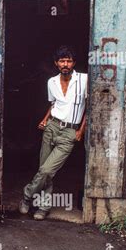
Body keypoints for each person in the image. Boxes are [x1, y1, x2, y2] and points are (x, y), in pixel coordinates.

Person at [19, 45, 88, 220]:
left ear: (74, 63)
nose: (66, 64)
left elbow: (91, 106)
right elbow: (54, 104)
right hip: (51, 127)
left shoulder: (84, 80)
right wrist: (45, 119)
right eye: (62, 61)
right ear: (56, 63)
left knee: (48, 170)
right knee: (43, 168)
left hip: (69, 132)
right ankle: (43, 207)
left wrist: (81, 130)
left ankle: (27, 195)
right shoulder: (52, 82)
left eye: (69, 60)